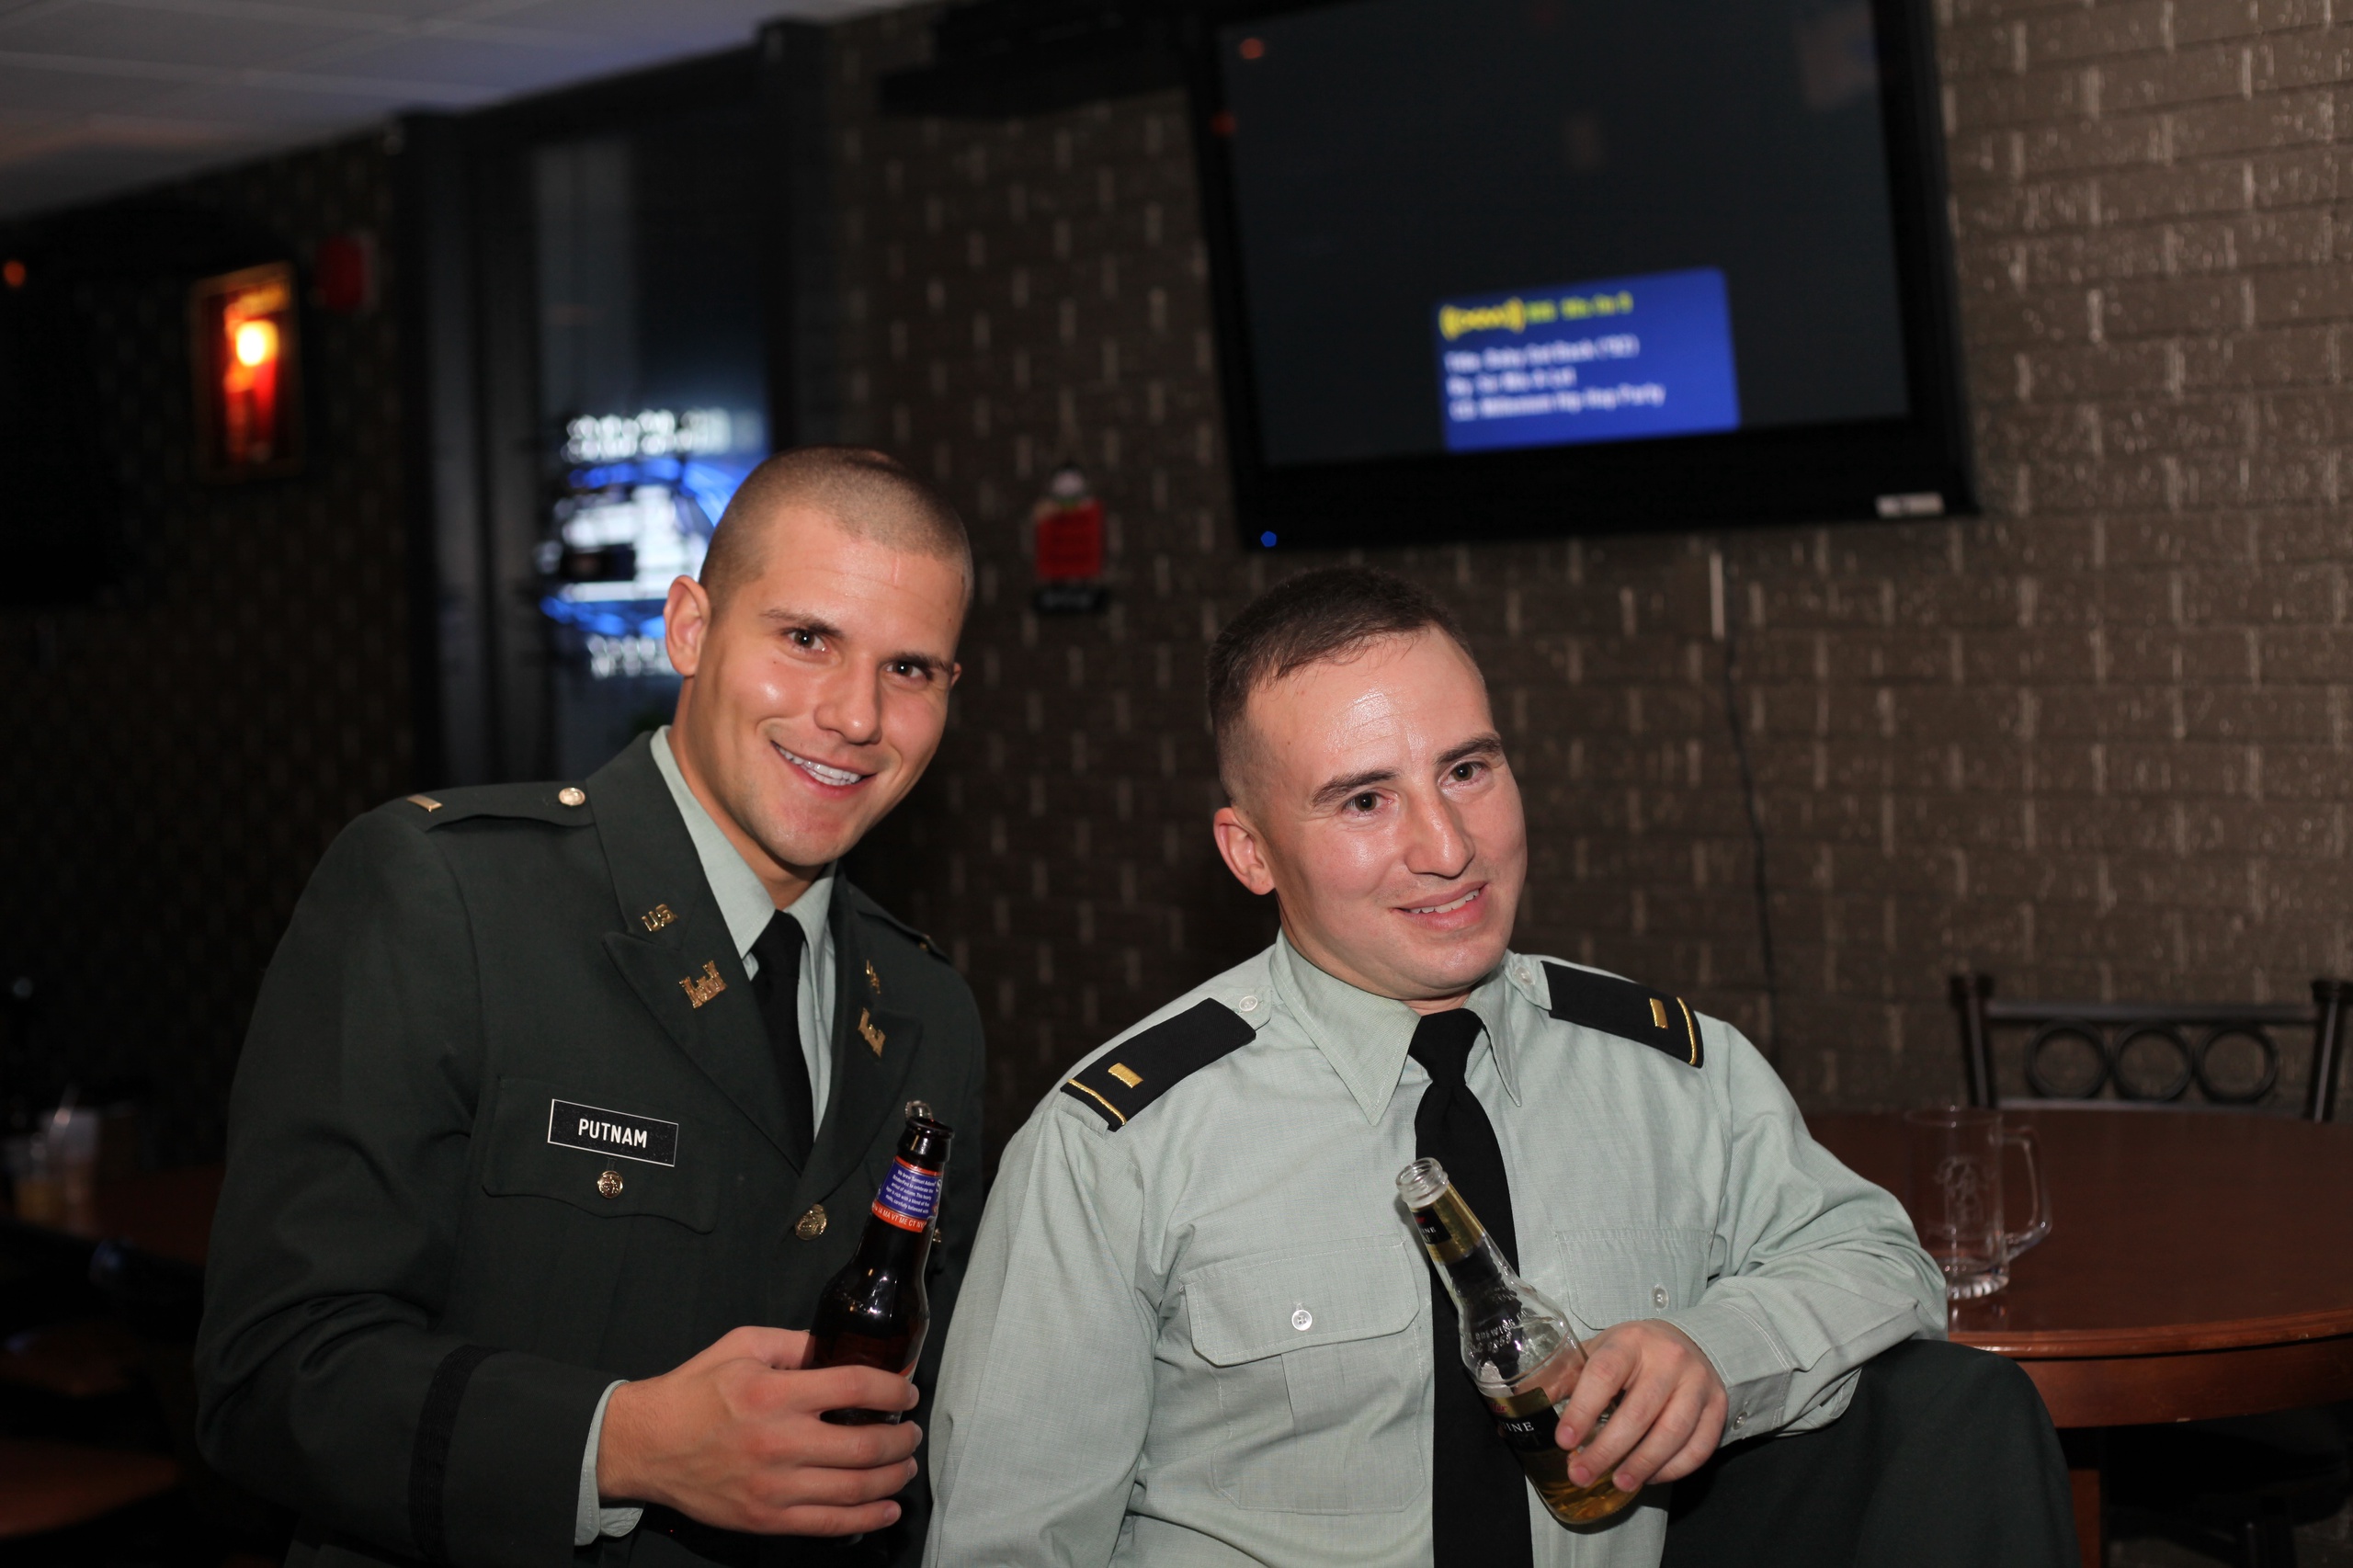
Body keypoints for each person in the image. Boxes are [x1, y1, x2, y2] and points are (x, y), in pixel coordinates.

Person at [923, 567, 2067, 1568]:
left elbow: (1878, 1259)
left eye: (1466, 769)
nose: (1447, 846)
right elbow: (1010, 1541)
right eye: (1364, 799)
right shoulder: (1116, 1145)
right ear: (1250, 850)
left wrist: (1717, 1350)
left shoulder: (1670, 1071)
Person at [196, 447, 986, 1568]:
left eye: (909, 668)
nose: (855, 714)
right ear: (690, 629)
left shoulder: (926, 1006)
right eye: (806, 638)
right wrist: (622, 1443)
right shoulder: (448, 896)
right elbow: (272, 1369)